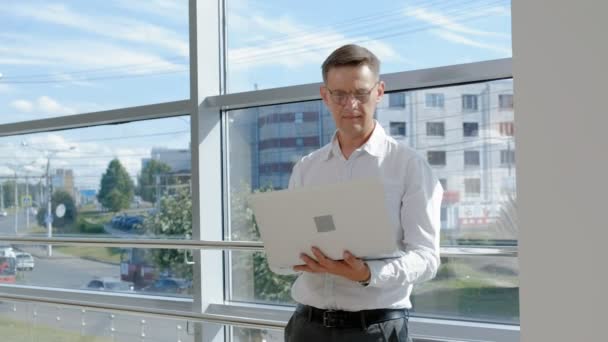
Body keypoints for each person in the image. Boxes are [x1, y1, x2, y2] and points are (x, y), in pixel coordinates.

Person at [282, 44, 443, 342]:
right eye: (339, 94)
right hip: (306, 326)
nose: (350, 104)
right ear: (325, 96)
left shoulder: (409, 166)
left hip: (374, 330)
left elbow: (426, 258)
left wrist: (368, 273)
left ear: (379, 92)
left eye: (360, 93)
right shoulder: (307, 168)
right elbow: (292, 245)